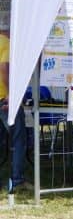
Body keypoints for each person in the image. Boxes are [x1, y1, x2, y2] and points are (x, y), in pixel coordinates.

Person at [0, 27, 29, 192]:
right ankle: (17, 179)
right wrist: (12, 93)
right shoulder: (5, 43)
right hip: (4, 99)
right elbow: (4, 69)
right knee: (18, 139)